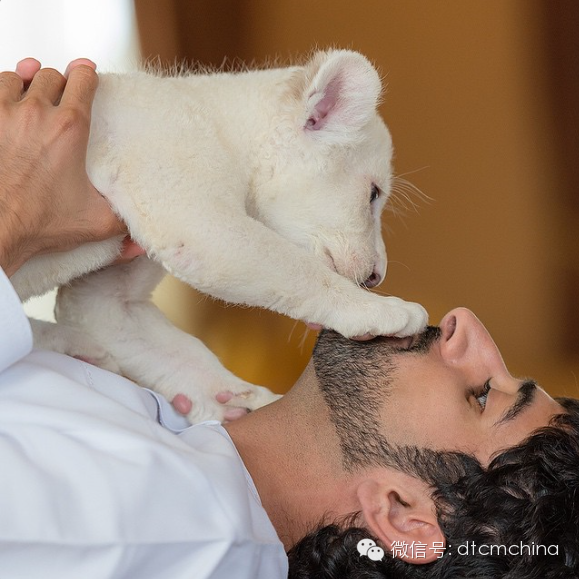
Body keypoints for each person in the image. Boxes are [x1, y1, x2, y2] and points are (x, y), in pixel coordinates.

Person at [1, 60, 578, 579]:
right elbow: (103, 309)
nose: (465, 325)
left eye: (482, 396)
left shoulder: (139, 527)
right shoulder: (179, 463)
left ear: (401, 512)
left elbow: (196, 240)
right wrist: (211, 390)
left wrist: (14, 209)